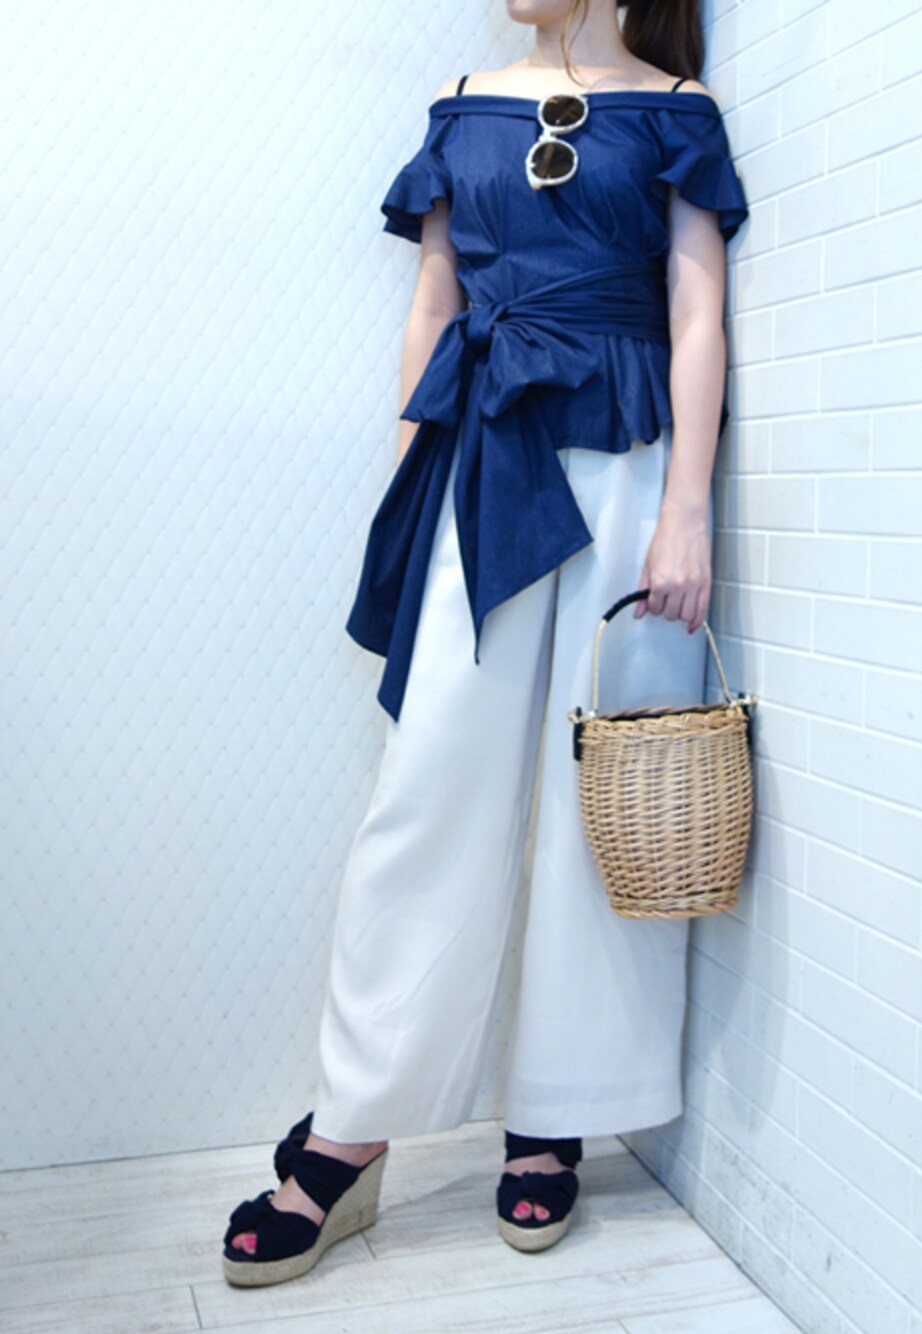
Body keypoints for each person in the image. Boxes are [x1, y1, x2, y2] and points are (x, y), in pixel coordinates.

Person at [222, 0, 749, 1287]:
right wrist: (411, 482)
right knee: (427, 792)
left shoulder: (677, 112)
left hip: (627, 461)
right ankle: (351, 1124)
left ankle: (558, 1110)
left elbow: (696, 314)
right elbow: (431, 302)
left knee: (593, 798)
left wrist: (686, 512)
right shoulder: (461, 104)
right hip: (478, 465)